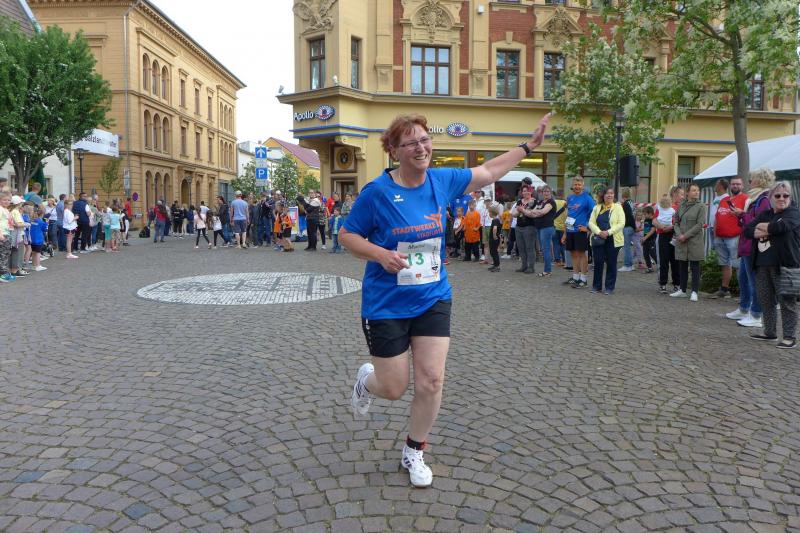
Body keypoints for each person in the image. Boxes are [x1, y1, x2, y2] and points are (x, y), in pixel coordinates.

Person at [340, 112, 550, 488]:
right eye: (410, 143)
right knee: (394, 387)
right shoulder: (377, 192)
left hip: (432, 296)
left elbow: (489, 171)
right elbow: (347, 236)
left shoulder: (442, 180)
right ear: (394, 150)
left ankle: (414, 450)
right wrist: (380, 254)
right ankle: (367, 381)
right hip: (386, 303)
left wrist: (527, 147)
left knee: (432, 380)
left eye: (425, 140)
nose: (421, 148)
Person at [744, 181, 800, 348]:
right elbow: (747, 230)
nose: (782, 198)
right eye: (778, 195)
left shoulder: (794, 212)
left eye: (785, 195)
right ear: (770, 198)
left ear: (790, 197)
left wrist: (763, 228)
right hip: (762, 264)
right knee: (766, 300)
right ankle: (770, 332)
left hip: (786, 265)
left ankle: (790, 337)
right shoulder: (766, 214)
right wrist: (769, 228)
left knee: (787, 302)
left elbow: (783, 226)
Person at [728, 168, 775, 327]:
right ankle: (744, 308)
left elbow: (759, 221)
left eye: (752, 179)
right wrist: (742, 215)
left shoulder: (764, 199)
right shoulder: (757, 197)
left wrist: (742, 214)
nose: (749, 182)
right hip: (747, 243)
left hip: (754, 245)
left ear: (759, 180)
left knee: (754, 280)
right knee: (743, 277)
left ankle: (756, 315)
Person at [710, 176, 746, 299]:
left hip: (735, 236)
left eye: (738, 184)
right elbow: (717, 217)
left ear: (742, 186)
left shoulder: (745, 199)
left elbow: (748, 217)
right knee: (725, 264)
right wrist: (715, 235)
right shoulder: (724, 200)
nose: (735, 186)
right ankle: (724, 289)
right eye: (733, 184)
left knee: (738, 265)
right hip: (720, 237)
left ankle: (744, 294)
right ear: (730, 186)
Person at [670, 183, 707, 302]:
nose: (696, 192)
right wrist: (679, 234)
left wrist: (685, 236)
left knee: (695, 267)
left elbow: (700, 224)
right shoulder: (681, 205)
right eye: (694, 190)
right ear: (687, 192)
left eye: (698, 190)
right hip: (681, 240)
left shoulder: (701, 206)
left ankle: (695, 292)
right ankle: (682, 290)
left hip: (694, 240)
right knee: (682, 265)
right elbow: (676, 222)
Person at [588, 187, 625, 294]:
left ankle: (609, 287)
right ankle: (597, 286)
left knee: (611, 263)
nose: (609, 195)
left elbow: (621, 223)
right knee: (598, 262)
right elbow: (591, 222)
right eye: (607, 193)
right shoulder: (597, 207)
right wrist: (599, 232)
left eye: (611, 193)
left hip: (613, 239)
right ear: (603, 196)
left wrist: (608, 232)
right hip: (598, 238)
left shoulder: (618, 207)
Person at [562, 177, 595, 288]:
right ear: (573, 185)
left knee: (581, 254)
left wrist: (588, 228)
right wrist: (565, 233)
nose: (577, 186)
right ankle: (575, 277)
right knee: (573, 253)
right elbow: (568, 215)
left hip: (580, 231)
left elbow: (595, 214)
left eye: (579, 185)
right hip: (570, 230)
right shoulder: (570, 198)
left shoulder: (587, 198)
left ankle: (583, 279)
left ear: (582, 186)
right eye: (575, 184)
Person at [530, 185, 557, 277]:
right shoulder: (540, 202)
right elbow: (533, 212)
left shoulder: (551, 202)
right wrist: (536, 212)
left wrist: (536, 211)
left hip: (547, 228)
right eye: (544, 191)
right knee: (543, 249)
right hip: (539, 227)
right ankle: (547, 270)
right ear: (542, 193)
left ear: (550, 193)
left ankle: (547, 271)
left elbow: (542, 212)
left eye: (548, 191)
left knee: (546, 250)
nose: (546, 193)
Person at [654, 193, 678, 294]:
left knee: (675, 261)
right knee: (663, 261)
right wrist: (661, 227)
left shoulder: (674, 209)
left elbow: (677, 222)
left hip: (673, 235)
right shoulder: (658, 209)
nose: (665, 202)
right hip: (662, 235)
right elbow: (654, 220)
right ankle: (663, 284)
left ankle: (677, 284)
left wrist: (671, 227)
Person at [511, 187, 537, 273]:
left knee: (530, 248)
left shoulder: (534, 202)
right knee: (521, 248)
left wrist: (522, 210)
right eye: (524, 191)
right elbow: (514, 214)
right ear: (522, 193)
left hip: (529, 227)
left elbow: (532, 214)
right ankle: (524, 266)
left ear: (531, 192)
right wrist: (520, 211)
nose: (526, 193)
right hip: (518, 227)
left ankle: (531, 267)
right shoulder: (519, 202)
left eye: (528, 191)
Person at [619, 188, 636, 272]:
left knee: (626, 247)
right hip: (631, 227)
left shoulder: (625, 204)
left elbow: (629, 216)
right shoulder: (631, 202)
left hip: (627, 227)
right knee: (628, 247)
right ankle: (631, 265)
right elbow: (633, 215)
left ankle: (627, 265)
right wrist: (634, 227)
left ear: (623, 194)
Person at [0, 192, 13, 282]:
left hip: (7, 233)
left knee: (6, 254)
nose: (7, 201)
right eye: (4, 200)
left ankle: (4, 273)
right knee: (3, 255)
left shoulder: (6, 210)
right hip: (3, 234)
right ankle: (2, 275)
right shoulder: (0, 209)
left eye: (8, 200)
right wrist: (0, 234)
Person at [641, 206, 658, 273]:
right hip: (646, 240)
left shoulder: (653, 220)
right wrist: (643, 238)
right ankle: (649, 267)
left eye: (645, 214)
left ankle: (660, 266)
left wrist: (645, 238)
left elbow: (652, 230)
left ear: (650, 213)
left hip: (652, 240)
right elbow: (646, 230)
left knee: (653, 253)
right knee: (645, 254)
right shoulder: (646, 220)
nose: (644, 216)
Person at [488, 205, 502, 272]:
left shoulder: (495, 220)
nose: (489, 214)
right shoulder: (495, 220)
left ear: (492, 213)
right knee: (492, 252)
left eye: (489, 212)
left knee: (494, 252)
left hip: (494, 239)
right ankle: (495, 264)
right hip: (493, 239)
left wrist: (494, 235)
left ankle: (497, 266)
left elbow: (495, 228)